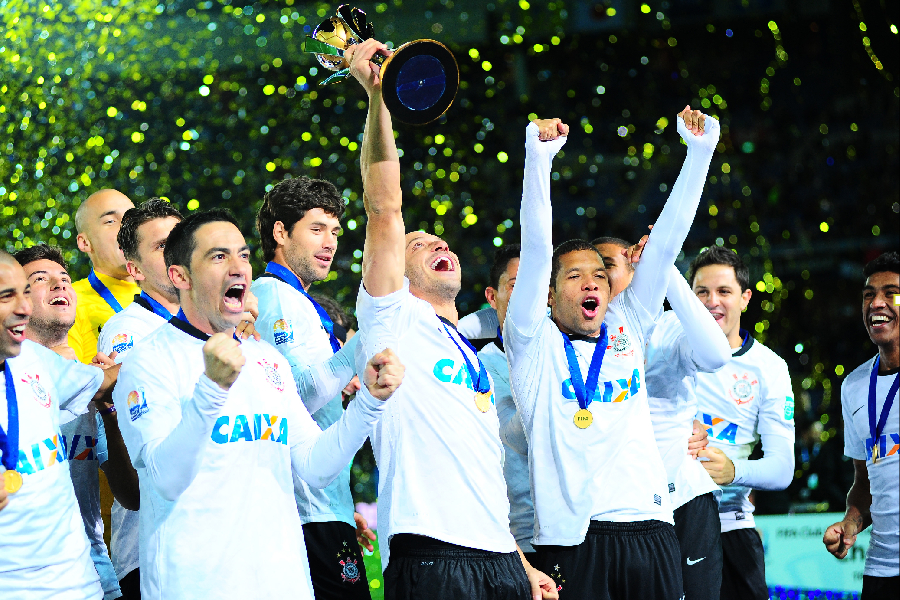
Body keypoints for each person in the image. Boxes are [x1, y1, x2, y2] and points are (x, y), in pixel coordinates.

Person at [345, 38, 556, 600]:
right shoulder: (393, 318)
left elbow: (480, 475)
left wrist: (520, 562)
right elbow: (384, 205)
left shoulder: (472, 352)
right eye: (418, 244)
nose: (436, 240)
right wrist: (378, 98)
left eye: (440, 239)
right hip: (432, 555)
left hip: (500, 558)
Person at [112, 209, 404, 599]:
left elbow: (314, 465)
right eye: (219, 256)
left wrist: (370, 403)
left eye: (244, 255)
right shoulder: (149, 361)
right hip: (197, 587)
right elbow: (164, 481)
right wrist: (212, 390)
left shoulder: (266, 358)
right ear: (180, 276)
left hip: (285, 583)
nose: (239, 268)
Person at [506, 108, 718, 598]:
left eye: (600, 276)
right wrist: (537, 162)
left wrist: (699, 152)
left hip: (651, 526)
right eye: (576, 276)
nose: (592, 283)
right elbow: (536, 250)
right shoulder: (530, 343)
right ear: (549, 293)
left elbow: (665, 247)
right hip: (573, 540)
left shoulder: (627, 325)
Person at [252, 176, 372, 599]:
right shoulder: (271, 297)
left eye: (335, 231)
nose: (331, 242)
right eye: (316, 229)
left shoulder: (297, 300)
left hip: (323, 505)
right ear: (281, 233)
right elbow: (297, 397)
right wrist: (361, 343)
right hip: (305, 509)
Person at [14, 244, 135, 600]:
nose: (60, 286)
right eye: (41, 279)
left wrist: (110, 415)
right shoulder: (17, 372)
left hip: (97, 578)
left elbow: (131, 496)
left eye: (65, 279)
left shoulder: (91, 380)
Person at [688, 246, 796, 600]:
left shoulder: (769, 368)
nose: (711, 302)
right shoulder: (662, 351)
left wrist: (734, 470)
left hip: (731, 528)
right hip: (664, 525)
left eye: (724, 291)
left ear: (745, 298)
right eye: (701, 292)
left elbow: (782, 469)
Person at [95, 198, 183, 600]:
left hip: (206, 539)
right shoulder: (127, 331)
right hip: (152, 550)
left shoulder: (212, 325)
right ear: (134, 269)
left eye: (181, 239)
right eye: (163, 245)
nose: (178, 251)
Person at [824, 251, 899, 598]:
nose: (876, 303)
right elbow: (864, 483)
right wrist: (849, 524)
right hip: (881, 569)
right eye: (869, 295)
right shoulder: (853, 387)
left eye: (891, 293)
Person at [477, 244, 537, 559]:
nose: (529, 294)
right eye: (516, 285)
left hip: (579, 534)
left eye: (538, 284)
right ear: (492, 296)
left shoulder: (574, 357)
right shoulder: (476, 367)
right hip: (513, 540)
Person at [69, 189, 139, 364]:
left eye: (132, 220)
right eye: (110, 221)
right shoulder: (69, 301)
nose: (126, 227)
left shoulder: (174, 292)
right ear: (84, 242)